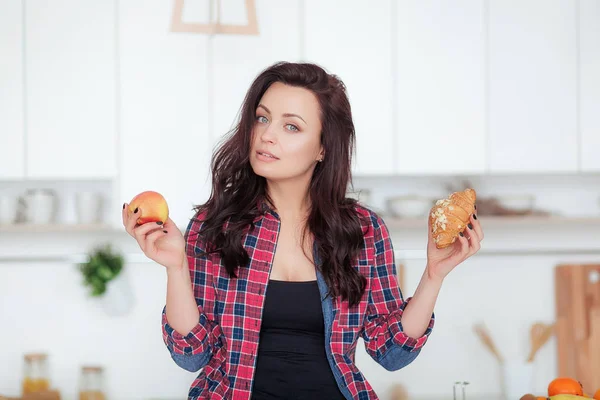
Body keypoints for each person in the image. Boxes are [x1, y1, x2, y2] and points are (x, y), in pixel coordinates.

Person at [122, 61, 484, 400]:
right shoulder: (215, 226)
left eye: (291, 126)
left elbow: (390, 353)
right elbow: (192, 355)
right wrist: (175, 267)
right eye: (262, 119)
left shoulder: (362, 230)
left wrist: (434, 274)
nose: (267, 135)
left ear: (323, 148)